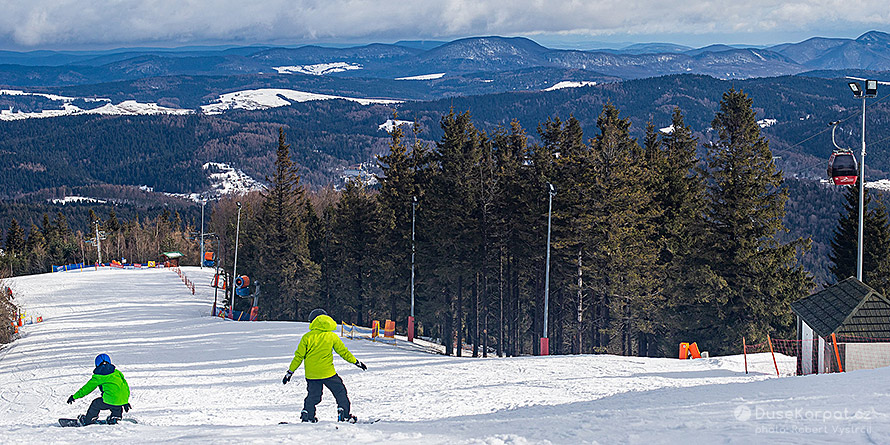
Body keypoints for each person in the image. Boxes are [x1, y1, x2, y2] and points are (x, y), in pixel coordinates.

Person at [282, 308, 367, 423]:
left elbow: (298, 357)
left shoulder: (307, 337)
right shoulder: (332, 336)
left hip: (312, 374)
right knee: (340, 392)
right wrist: (356, 362)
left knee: (313, 395)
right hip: (328, 373)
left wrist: (290, 373)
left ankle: (307, 414)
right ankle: (344, 413)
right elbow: (344, 352)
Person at [67, 353, 131, 425]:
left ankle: (89, 420)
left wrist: (74, 396)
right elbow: (124, 386)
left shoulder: (98, 376)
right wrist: (125, 401)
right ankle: (116, 417)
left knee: (96, 404)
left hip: (110, 400)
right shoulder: (116, 372)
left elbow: (87, 389)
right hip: (121, 400)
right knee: (116, 404)